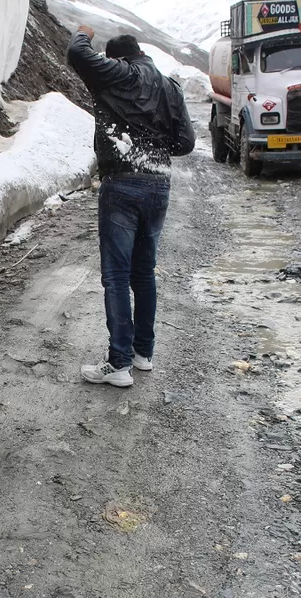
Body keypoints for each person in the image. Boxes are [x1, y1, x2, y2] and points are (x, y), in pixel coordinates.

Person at [67, 27, 195, 388]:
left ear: (119, 58)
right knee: (144, 272)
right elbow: (186, 142)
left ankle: (118, 363)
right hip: (159, 184)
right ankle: (143, 354)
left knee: (117, 275)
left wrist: (82, 33)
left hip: (122, 182)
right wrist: (153, 146)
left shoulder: (120, 73)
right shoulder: (170, 86)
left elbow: (78, 53)